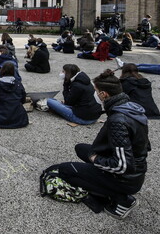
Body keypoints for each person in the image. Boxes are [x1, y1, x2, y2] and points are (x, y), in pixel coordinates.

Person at [51, 70, 150, 219]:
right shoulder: (130, 108)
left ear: (104, 94)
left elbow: (123, 165)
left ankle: (123, 200)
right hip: (133, 169)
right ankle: (103, 178)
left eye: (96, 91)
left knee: (65, 170)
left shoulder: (118, 119)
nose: (94, 95)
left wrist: (95, 160)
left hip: (126, 178)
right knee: (81, 148)